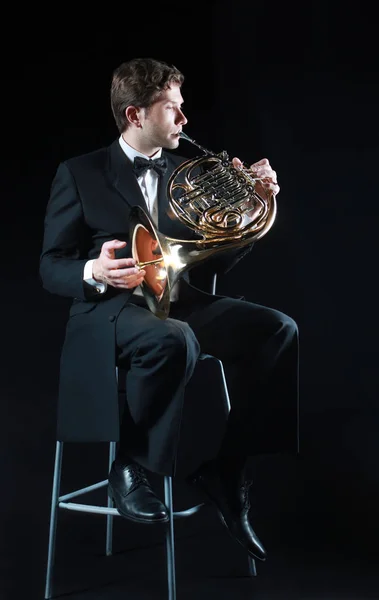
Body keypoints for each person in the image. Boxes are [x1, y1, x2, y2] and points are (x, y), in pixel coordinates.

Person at [39, 57, 299, 563]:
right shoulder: (79, 174)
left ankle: (227, 473)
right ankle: (132, 467)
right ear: (136, 114)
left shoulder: (183, 170)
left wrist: (251, 208)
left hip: (179, 301)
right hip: (112, 311)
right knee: (174, 338)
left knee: (277, 330)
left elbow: (214, 252)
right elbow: (51, 266)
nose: (185, 121)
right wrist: (95, 271)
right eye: (173, 110)